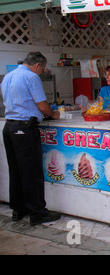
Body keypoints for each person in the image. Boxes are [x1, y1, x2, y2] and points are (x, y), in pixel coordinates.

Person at [1, 52, 61, 225]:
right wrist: (53, 114)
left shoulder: (8, 76)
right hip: (25, 128)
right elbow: (42, 105)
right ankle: (37, 212)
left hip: (9, 128)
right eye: (42, 68)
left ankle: (18, 210)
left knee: (16, 171)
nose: (42, 72)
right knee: (32, 172)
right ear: (37, 65)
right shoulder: (32, 77)